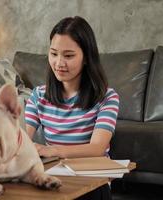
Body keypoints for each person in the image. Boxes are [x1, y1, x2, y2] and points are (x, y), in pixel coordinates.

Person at [25, 16, 119, 200]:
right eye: (53, 54)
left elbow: (97, 148)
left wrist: (54, 150)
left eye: (68, 56)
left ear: (86, 57)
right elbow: (20, 139)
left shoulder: (107, 97)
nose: (59, 63)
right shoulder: (38, 96)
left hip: (91, 178)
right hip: (55, 174)